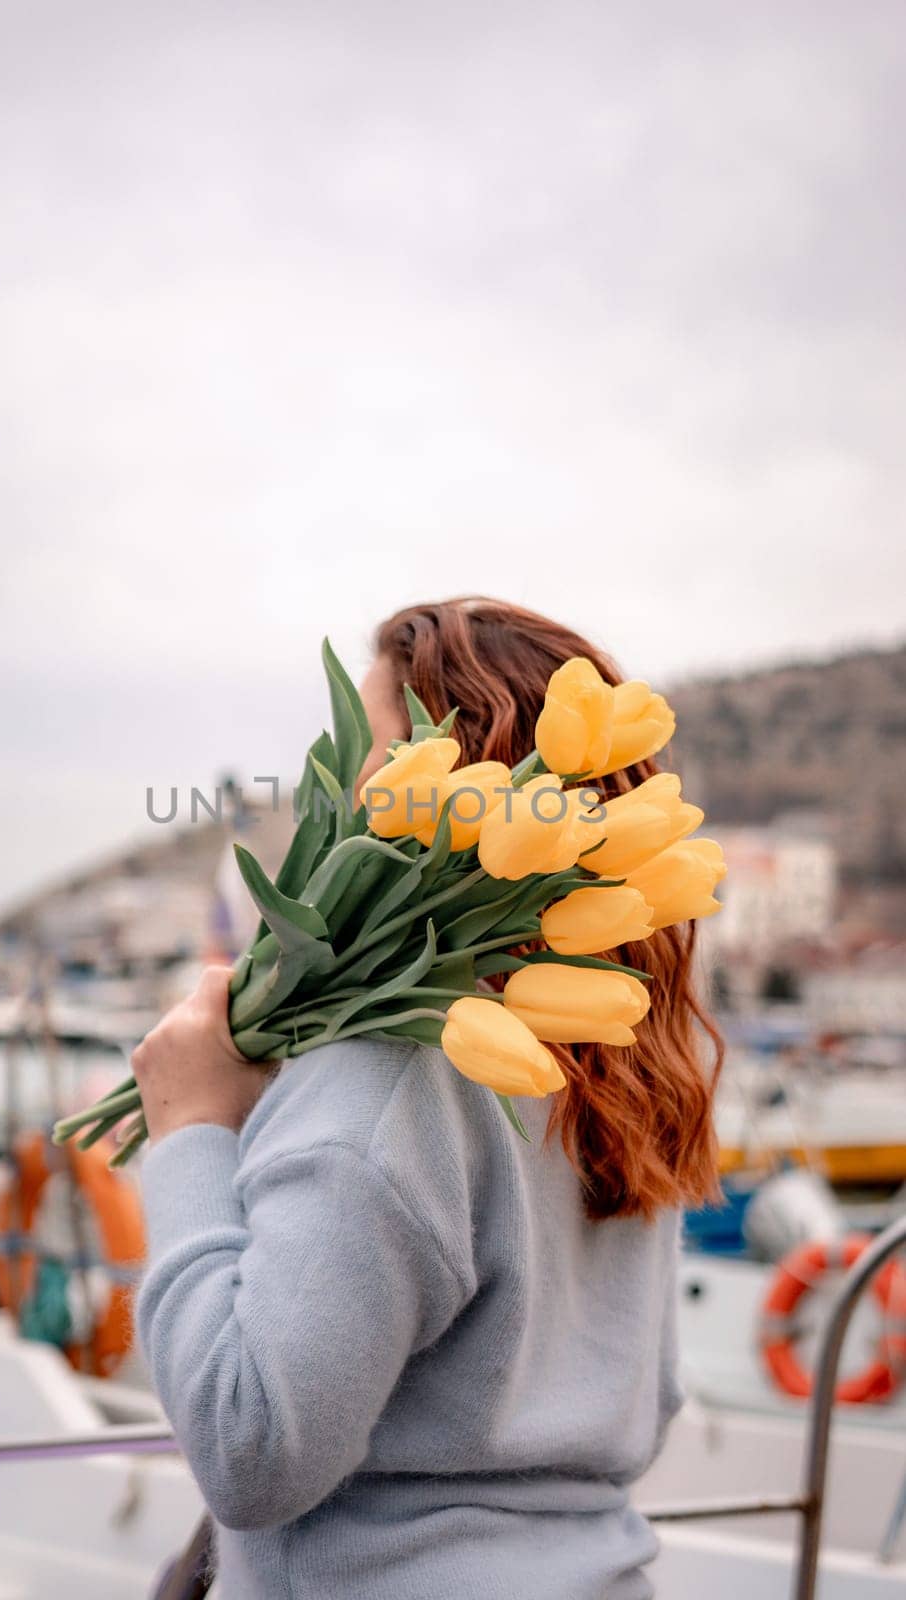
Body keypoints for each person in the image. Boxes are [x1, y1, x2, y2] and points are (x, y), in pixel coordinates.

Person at [134, 596, 723, 1599]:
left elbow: (249, 1449)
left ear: (455, 764)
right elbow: (646, 1396)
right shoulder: (610, 1057)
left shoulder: (391, 1071)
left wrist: (190, 1127)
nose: (347, 782)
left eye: (364, 746)